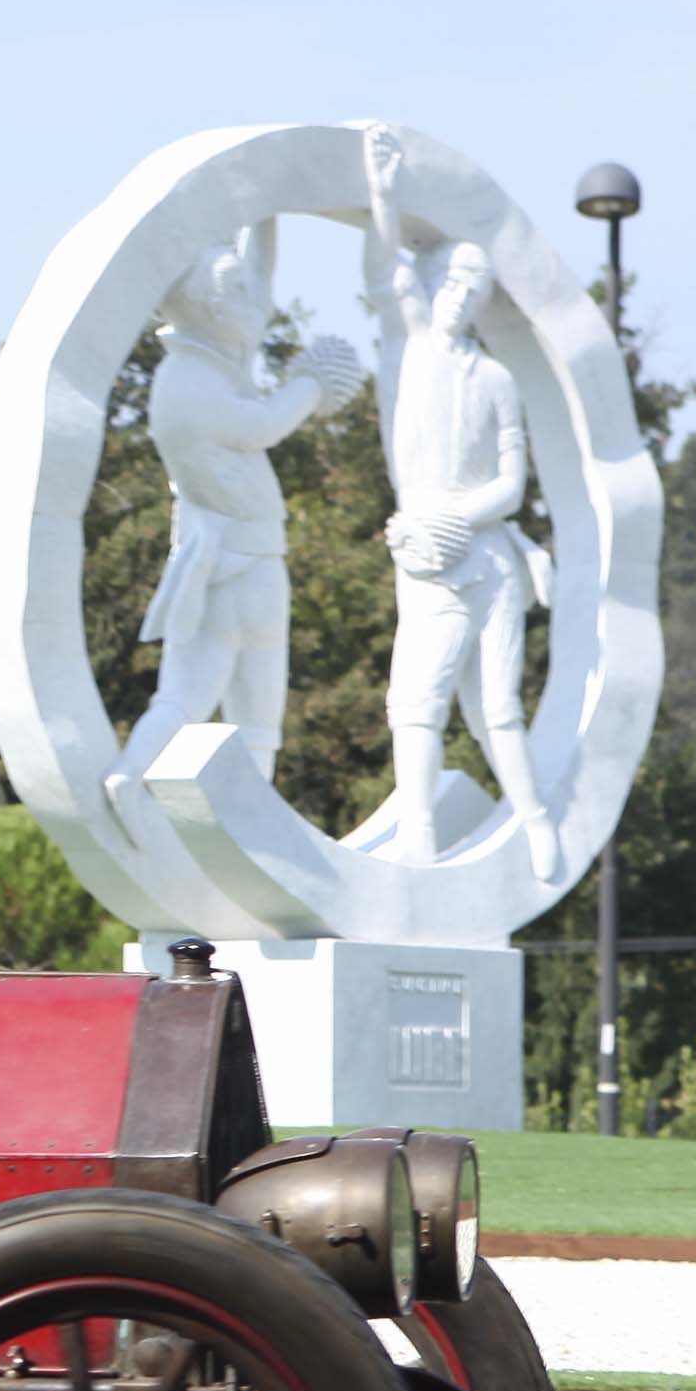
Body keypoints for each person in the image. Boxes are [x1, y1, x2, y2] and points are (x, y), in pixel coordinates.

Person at [101, 218, 366, 833]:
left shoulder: (213, 359)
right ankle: (138, 779)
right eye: (237, 294)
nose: (254, 304)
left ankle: (247, 822)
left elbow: (260, 277)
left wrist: (260, 207)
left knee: (242, 703)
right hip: (232, 565)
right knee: (210, 700)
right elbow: (264, 425)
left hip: (242, 559)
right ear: (208, 307)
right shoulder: (192, 385)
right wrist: (311, 383)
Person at [359, 123, 561, 879]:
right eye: (451, 281)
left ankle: (535, 822)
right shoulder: (406, 349)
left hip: (484, 556)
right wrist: (383, 196)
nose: (458, 297)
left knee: (497, 708)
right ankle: (419, 832)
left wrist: (460, 516)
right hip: (429, 561)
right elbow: (385, 270)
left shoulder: (497, 379)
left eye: (473, 290)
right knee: (415, 699)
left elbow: (511, 487)